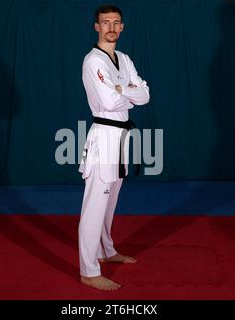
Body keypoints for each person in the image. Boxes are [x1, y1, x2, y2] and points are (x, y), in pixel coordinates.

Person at [78, 4, 150, 291]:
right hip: (104, 136)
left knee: (109, 203)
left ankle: (106, 250)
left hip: (121, 138)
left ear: (122, 27)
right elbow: (108, 102)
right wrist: (127, 94)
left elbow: (145, 94)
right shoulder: (93, 61)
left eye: (116, 22)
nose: (111, 27)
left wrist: (124, 92)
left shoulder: (124, 58)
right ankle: (88, 269)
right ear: (96, 27)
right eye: (105, 22)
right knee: (95, 204)